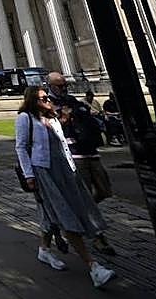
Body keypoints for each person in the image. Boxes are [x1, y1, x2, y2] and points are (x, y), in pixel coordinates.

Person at [16, 86, 116, 288]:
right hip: (43, 171)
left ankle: (44, 249)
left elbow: (62, 145)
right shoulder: (25, 118)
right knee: (64, 214)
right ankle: (93, 266)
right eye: (43, 99)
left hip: (64, 170)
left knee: (52, 212)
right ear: (32, 101)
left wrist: (72, 169)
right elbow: (21, 146)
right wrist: (29, 175)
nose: (48, 101)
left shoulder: (53, 119)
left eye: (47, 98)